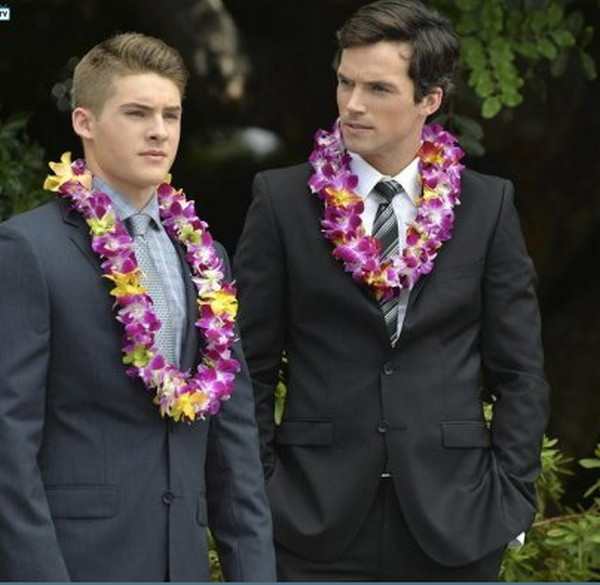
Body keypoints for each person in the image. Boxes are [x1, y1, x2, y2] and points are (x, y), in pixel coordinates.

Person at [233, 0, 549, 581]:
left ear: (429, 100)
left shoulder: (487, 205)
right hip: (308, 519)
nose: (352, 104)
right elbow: (247, 364)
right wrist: (262, 489)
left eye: (378, 88)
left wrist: (510, 498)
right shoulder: (281, 201)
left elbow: (520, 370)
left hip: (456, 520)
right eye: (345, 82)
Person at [0, 32, 276, 582]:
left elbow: (234, 448)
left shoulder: (206, 257)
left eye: (171, 115)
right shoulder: (27, 249)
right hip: (78, 564)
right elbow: (8, 445)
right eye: (137, 113)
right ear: (84, 122)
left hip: (183, 565)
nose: (159, 131)